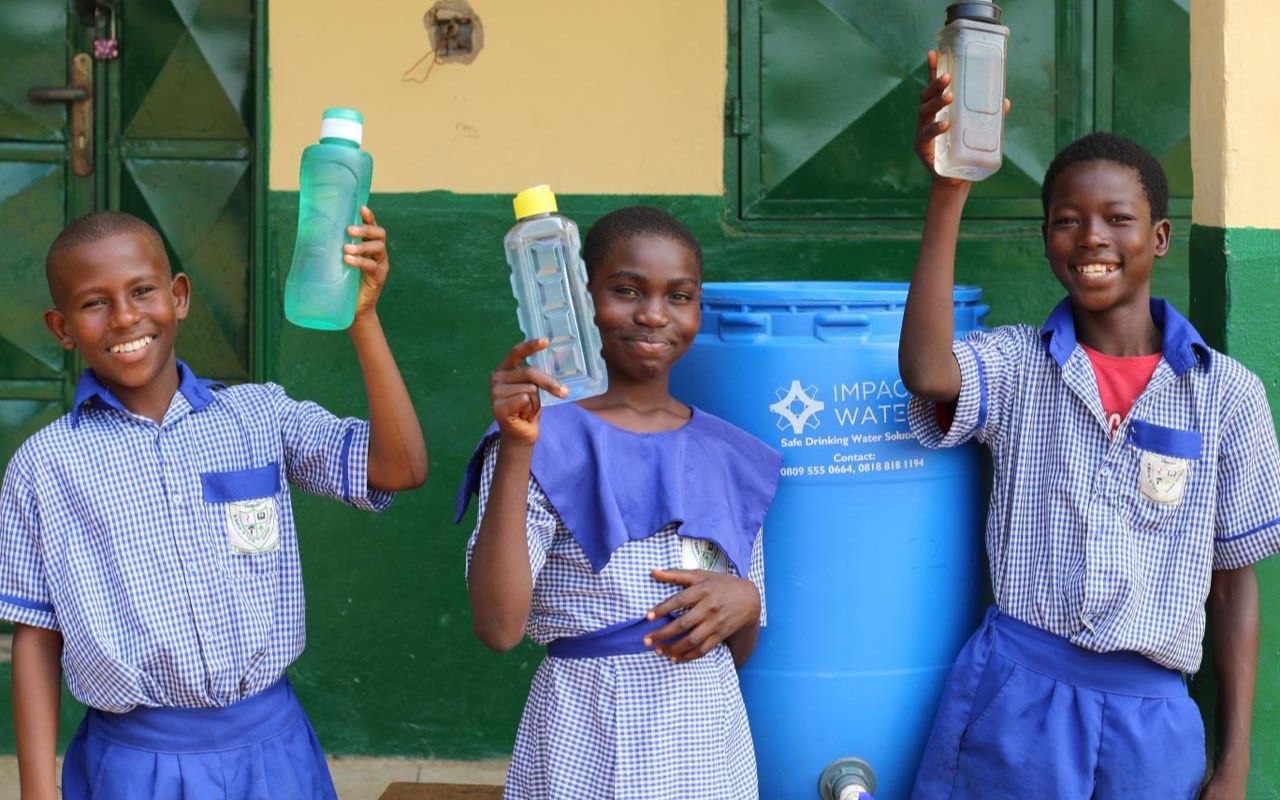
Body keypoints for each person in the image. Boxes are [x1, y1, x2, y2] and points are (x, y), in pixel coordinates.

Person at [898, 51, 1280, 799]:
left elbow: (1235, 588)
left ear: (1161, 238)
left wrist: (1233, 765)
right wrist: (949, 190)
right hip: (1016, 697)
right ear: (1046, 241)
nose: (1091, 238)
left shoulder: (1227, 397)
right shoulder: (1017, 365)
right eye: (1066, 222)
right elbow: (929, 373)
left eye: (1117, 220)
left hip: (1155, 719)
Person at [0, 208, 427, 799]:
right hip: (134, 767)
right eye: (94, 303)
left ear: (178, 297)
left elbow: (400, 468)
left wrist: (363, 319)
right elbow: (36, 638)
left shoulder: (258, 416)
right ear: (62, 326)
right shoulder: (43, 467)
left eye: (142, 290)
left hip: (274, 756)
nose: (125, 317)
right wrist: (38, 794)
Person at [455, 206, 781, 799]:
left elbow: (737, 646)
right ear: (579, 296)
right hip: (588, 728)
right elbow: (498, 628)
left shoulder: (728, 455)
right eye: (627, 290)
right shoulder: (540, 436)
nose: (654, 315)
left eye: (679, 296)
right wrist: (518, 449)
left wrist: (746, 597)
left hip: (706, 739)